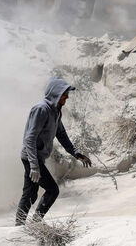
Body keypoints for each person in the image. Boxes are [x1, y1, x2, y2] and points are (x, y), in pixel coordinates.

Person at [16, 76, 92, 225]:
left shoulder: (56, 112)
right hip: (31, 156)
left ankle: (22, 225)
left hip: (36, 158)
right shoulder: (41, 109)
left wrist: (76, 153)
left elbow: (61, 135)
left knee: (30, 194)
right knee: (52, 190)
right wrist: (34, 165)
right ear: (56, 92)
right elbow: (29, 139)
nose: (67, 97)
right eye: (65, 93)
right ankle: (32, 224)